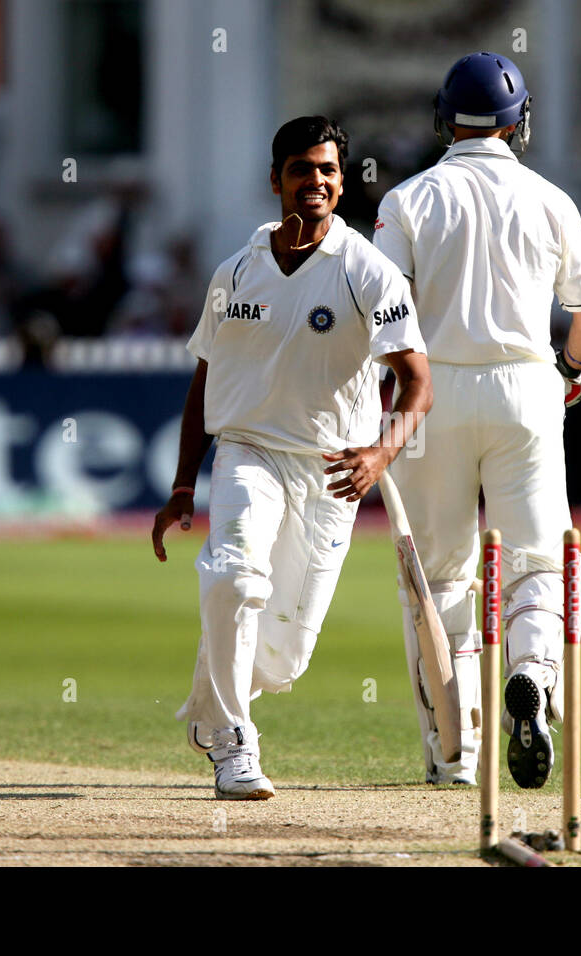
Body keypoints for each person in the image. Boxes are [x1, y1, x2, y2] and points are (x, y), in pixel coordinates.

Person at [151, 117, 432, 800]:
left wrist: (380, 452)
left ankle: (210, 708)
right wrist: (183, 484)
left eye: (329, 171)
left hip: (331, 470)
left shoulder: (369, 270)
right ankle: (232, 744)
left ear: (341, 183)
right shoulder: (236, 270)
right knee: (233, 576)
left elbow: (418, 382)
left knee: (282, 661)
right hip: (248, 450)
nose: (317, 182)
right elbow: (203, 380)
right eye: (302, 169)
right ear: (275, 179)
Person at [373, 53, 581, 788]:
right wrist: (566, 375)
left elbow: (383, 315)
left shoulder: (408, 200)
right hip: (526, 393)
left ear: (444, 121)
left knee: (439, 574)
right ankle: (533, 680)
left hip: (430, 395)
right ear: (521, 123)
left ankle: (456, 753)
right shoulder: (550, 199)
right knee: (538, 563)